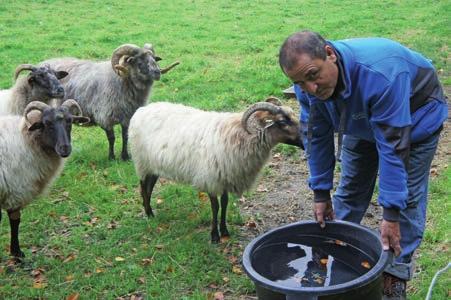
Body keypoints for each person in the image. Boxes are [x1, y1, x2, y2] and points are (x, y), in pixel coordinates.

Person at [278, 30, 448, 299]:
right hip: (360, 117)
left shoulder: (380, 74)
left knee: (408, 200)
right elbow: (317, 136)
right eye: (299, 83)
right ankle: (332, 258)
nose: (310, 89)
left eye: (312, 75)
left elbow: (393, 148)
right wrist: (320, 192)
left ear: (330, 55)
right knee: (350, 190)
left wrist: (390, 214)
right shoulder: (309, 88)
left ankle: (394, 275)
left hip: (415, 119)